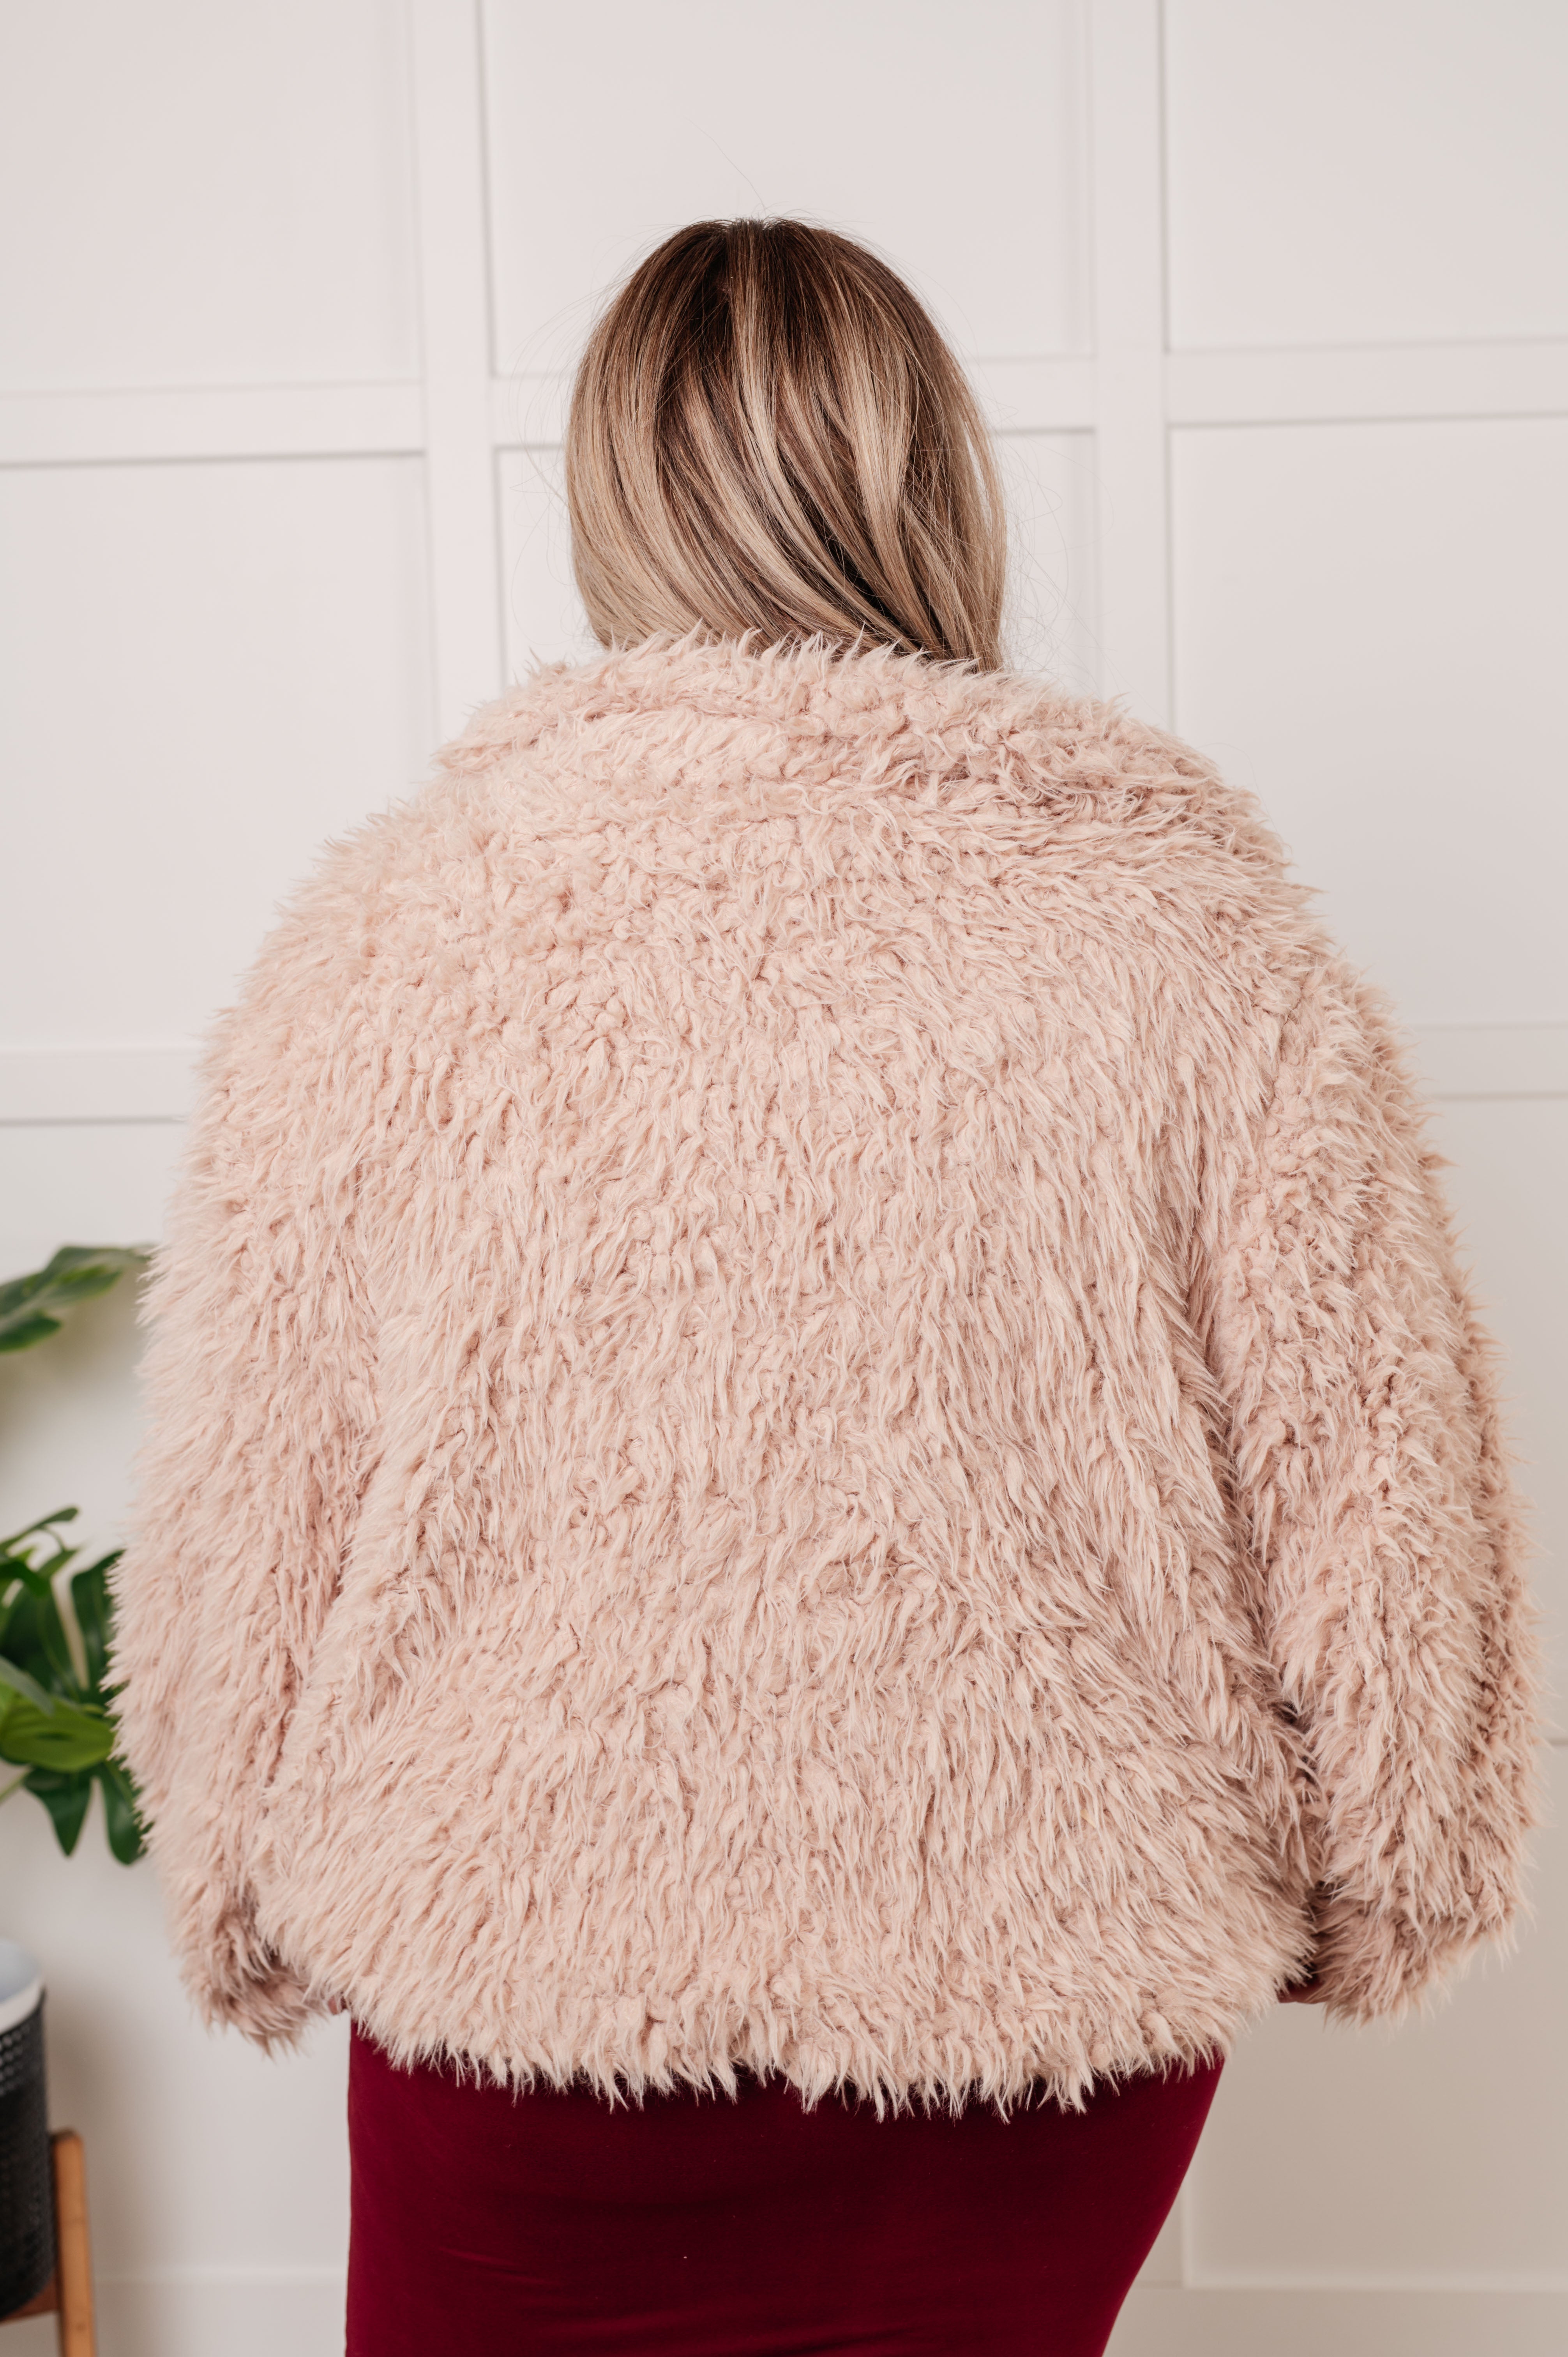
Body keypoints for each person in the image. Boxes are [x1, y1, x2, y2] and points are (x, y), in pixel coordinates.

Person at [110, 219, 1541, 2356]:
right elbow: (1373, 1463)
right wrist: (1405, 1873)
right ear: (939, 487)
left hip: (522, 1999)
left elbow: (256, 1494)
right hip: (1038, 2022)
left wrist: (230, 1889)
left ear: (609, 504)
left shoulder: (387, 940)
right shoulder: (1191, 933)